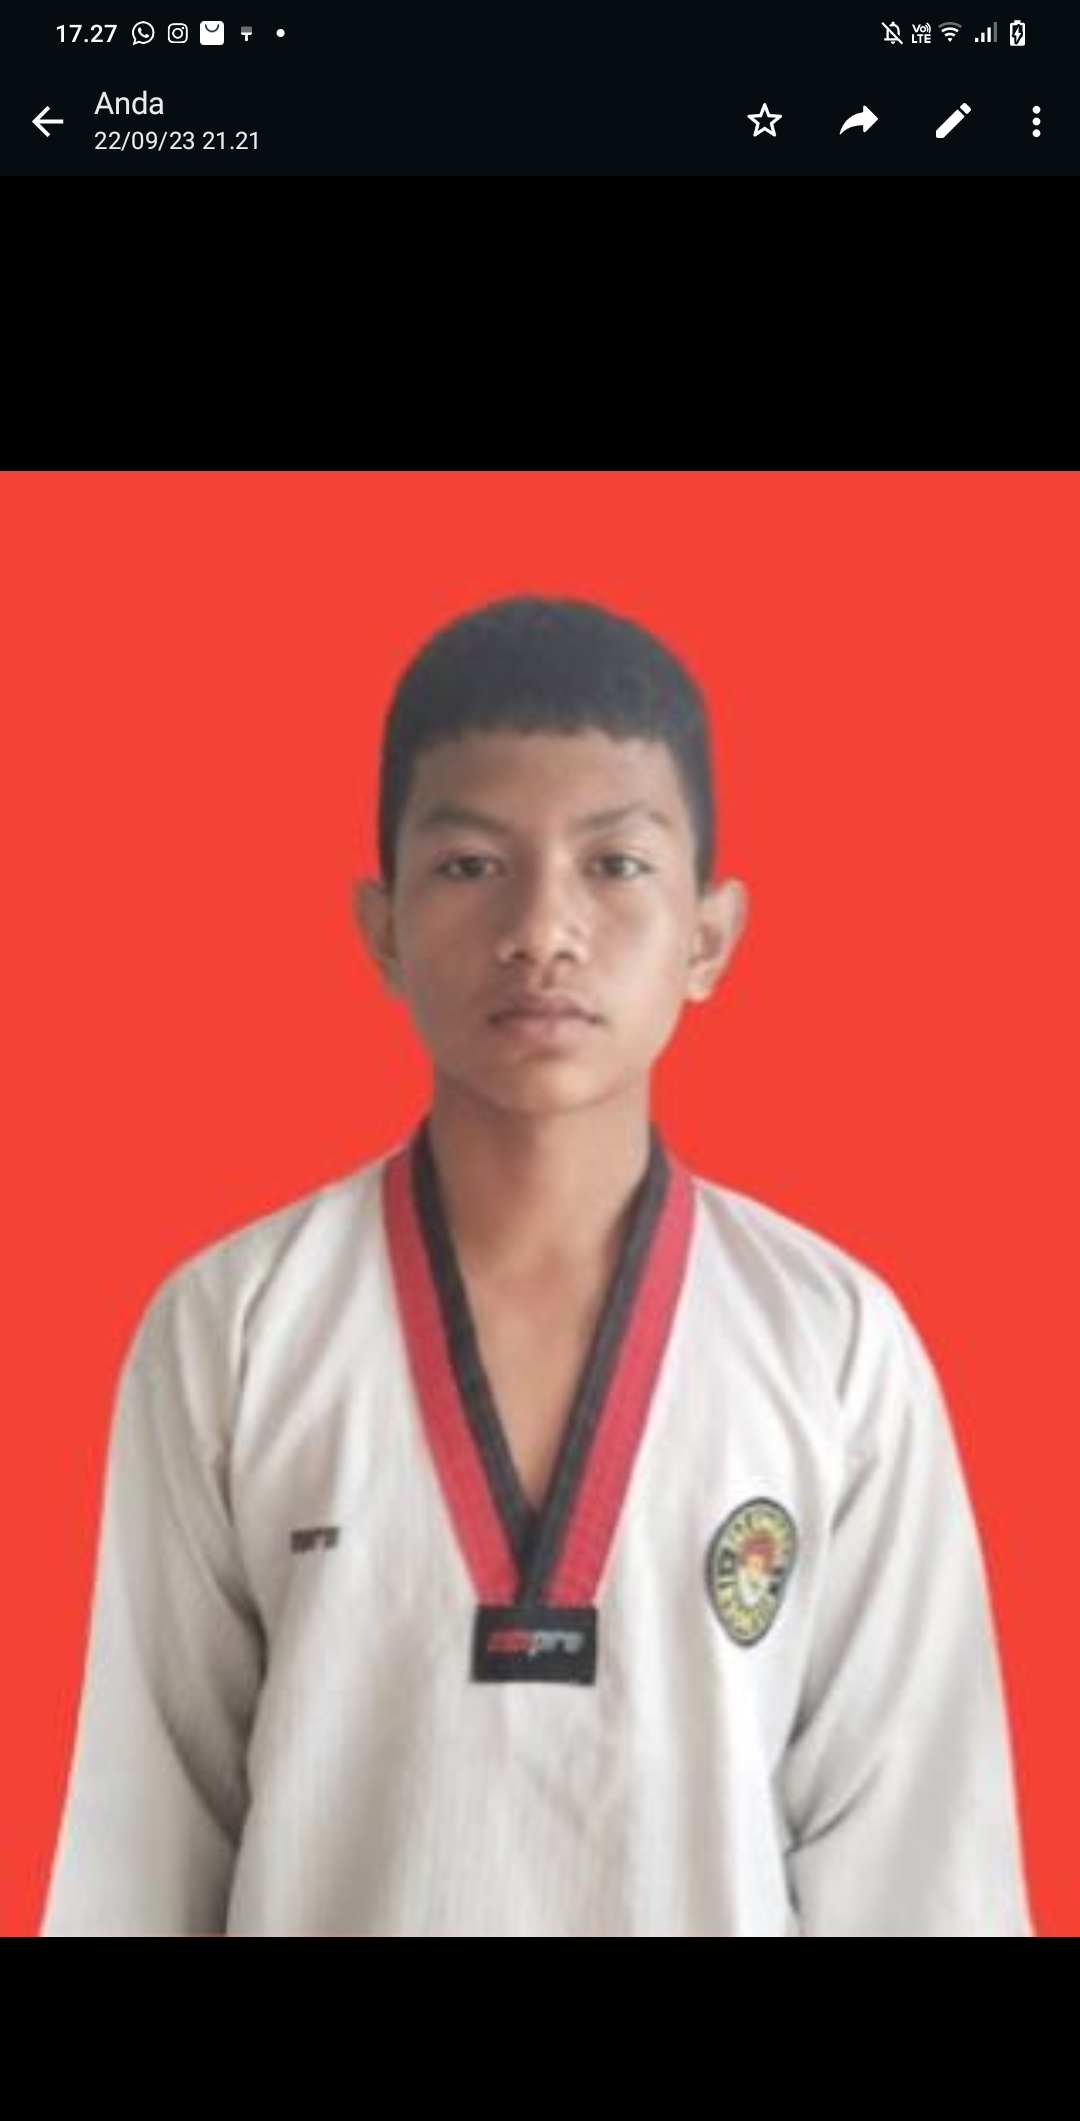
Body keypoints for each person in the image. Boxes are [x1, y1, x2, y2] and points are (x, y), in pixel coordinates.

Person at [42, 595, 1031, 1935]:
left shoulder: (834, 1343)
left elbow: (923, 1862)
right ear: (382, 926)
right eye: (470, 865)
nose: (543, 929)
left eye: (614, 865)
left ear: (709, 934)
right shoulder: (235, 1324)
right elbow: (141, 1842)